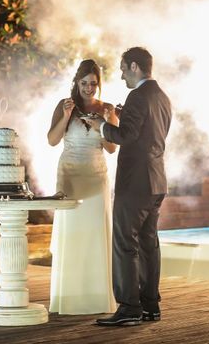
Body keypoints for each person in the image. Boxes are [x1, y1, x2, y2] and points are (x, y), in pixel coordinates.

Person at [82, 47, 172, 326]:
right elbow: (148, 133)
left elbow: (125, 135)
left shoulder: (137, 95)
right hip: (156, 181)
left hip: (135, 183)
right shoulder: (163, 97)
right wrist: (124, 114)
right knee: (149, 245)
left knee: (125, 244)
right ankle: (150, 306)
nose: (121, 76)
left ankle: (129, 308)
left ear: (134, 66)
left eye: (123, 69)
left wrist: (101, 125)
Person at [47, 58, 119, 315]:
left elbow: (111, 148)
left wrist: (109, 120)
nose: (89, 88)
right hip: (70, 175)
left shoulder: (106, 108)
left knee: (95, 234)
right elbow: (52, 141)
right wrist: (66, 116)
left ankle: (97, 297)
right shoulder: (65, 105)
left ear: (98, 85)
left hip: (96, 175)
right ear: (76, 82)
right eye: (85, 83)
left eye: (93, 83)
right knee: (73, 234)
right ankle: (69, 297)